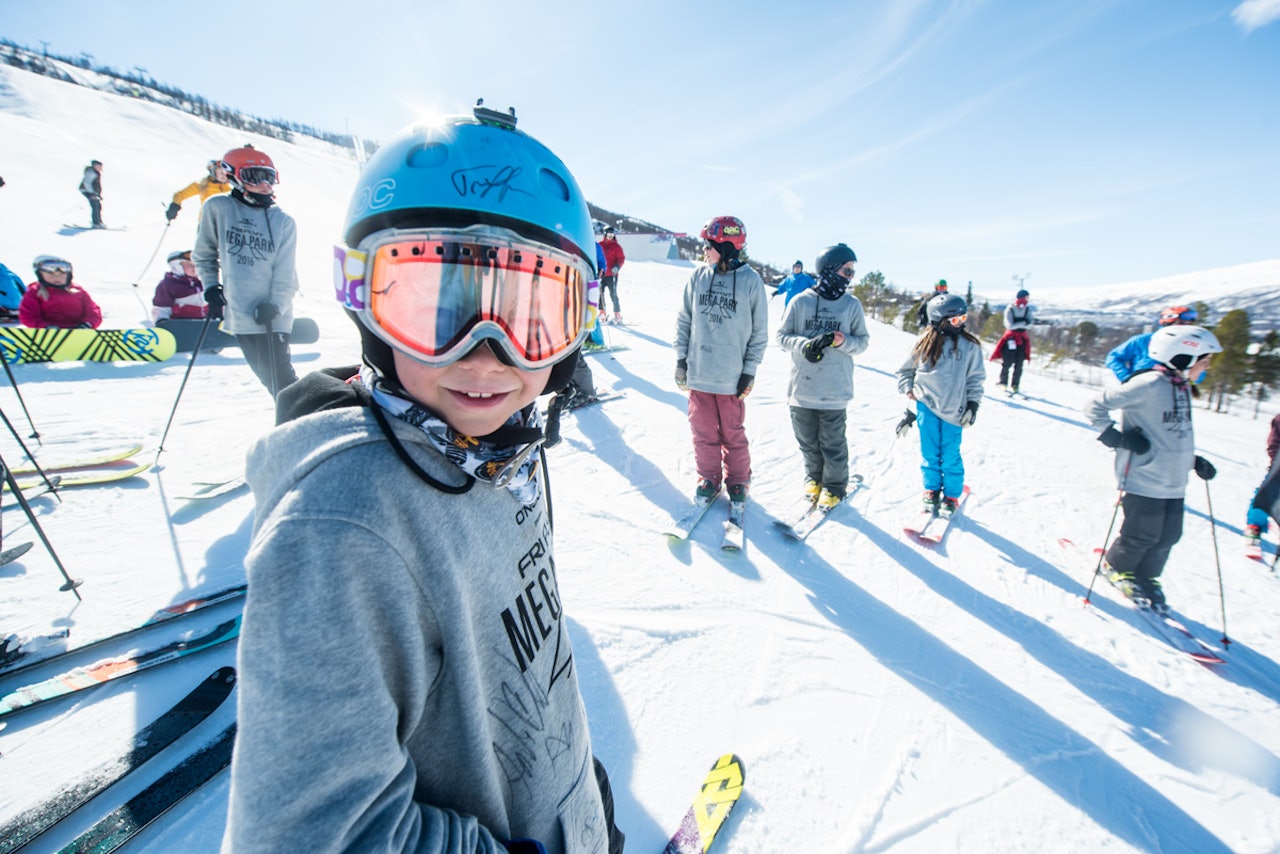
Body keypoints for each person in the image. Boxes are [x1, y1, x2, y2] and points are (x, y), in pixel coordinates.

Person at [224, 105, 625, 854]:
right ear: (366, 306)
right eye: (429, 307)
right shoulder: (342, 526)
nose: (485, 356)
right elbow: (314, 838)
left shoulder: (503, 452)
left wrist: (576, 789)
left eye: (534, 317)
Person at [1085, 325, 1222, 614]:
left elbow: (1173, 432)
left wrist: (1193, 460)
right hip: (1144, 475)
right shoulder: (1147, 384)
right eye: (1204, 361)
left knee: (1169, 535)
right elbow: (1095, 406)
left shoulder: (1181, 387)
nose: (1207, 367)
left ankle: (1147, 576)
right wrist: (1117, 437)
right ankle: (1116, 566)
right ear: (1183, 356)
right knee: (1141, 533)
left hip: (1174, 478)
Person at [674, 214, 769, 505]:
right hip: (700, 373)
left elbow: (760, 334)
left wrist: (749, 371)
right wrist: (681, 359)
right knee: (702, 432)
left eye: (709, 245)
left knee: (732, 434)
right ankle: (708, 478)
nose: (704, 250)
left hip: (731, 377)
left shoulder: (751, 282)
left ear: (727, 246)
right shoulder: (698, 276)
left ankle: (738, 480)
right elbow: (684, 320)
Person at [193, 145, 299, 397]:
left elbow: (287, 274)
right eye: (254, 177)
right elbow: (204, 253)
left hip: (273, 316)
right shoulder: (217, 208)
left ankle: (302, 427)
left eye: (269, 177)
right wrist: (210, 285)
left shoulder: (283, 221)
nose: (264, 185)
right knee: (270, 381)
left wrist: (276, 304)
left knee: (283, 383)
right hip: (240, 315)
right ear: (234, 177)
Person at [776, 243, 870, 509]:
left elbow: (862, 342)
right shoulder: (800, 301)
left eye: (852, 272)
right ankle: (814, 478)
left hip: (834, 390)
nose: (850, 277)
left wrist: (843, 342)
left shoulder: (851, 305)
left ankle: (834, 485)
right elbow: (782, 337)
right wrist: (803, 345)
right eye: (846, 271)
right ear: (829, 270)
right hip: (802, 389)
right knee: (808, 442)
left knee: (832, 444)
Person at [896, 292, 984, 518]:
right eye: (955, 321)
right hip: (926, 408)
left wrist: (973, 405)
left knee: (950, 454)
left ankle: (952, 494)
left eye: (963, 319)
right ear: (939, 321)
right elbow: (906, 371)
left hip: (954, 410)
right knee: (929, 452)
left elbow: (975, 379)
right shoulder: (923, 342)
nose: (960, 324)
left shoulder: (970, 346)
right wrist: (909, 395)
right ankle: (932, 489)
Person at [1105, 305, 1199, 383]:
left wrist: (1192, 378)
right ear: (1168, 323)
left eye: (1188, 325)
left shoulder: (1191, 345)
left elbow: (1198, 376)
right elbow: (1113, 357)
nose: (1185, 329)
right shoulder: (1142, 341)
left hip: (1172, 394)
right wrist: (1126, 378)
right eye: (1181, 324)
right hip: (1141, 389)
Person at [19, 255, 102, 329]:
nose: (57, 278)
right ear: (40, 275)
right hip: (48, 334)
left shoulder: (78, 291)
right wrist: (45, 327)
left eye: (62, 275)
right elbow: (28, 316)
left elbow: (93, 311)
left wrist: (88, 324)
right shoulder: (34, 293)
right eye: (51, 275)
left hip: (78, 332)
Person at [1243, 413, 1280, 546]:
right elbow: (1274, 443)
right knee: (1266, 495)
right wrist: (1276, 461)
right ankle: (1255, 525)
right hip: (1278, 470)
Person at [991, 288, 1034, 393]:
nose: (1026, 300)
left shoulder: (1027, 310)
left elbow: (1030, 324)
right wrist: (1022, 323)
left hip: (1022, 339)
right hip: (1010, 338)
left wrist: (1019, 324)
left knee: (1019, 364)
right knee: (1007, 362)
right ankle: (1003, 382)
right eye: (1025, 298)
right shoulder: (1010, 309)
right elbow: (1009, 325)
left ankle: (1015, 385)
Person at [166, 159, 232, 222]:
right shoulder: (203, 185)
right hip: (206, 223)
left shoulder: (229, 189)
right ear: (213, 172)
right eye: (221, 172)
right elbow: (180, 195)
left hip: (225, 224)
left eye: (225, 173)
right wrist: (174, 206)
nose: (224, 175)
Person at [151, 249, 206, 322]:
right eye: (190, 265)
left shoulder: (201, 284)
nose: (194, 268)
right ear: (177, 266)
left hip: (204, 327)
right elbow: (161, 309)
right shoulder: (167, 285)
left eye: (196, 265)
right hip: (179, 327)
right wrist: (162, 322)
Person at [598, 226, 625, 323]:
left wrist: (617, 267)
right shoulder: (600, 245)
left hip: (612, 275)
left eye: (612, 235)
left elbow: (621, 259)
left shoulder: (617, 247)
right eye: (609, 234)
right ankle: (602, 313)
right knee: (600, 294)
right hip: (602, 274)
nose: (610, 236)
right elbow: (596, 257)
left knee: (613, 294)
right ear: (605, 234)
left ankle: (617, 314)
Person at [78, 160, 104, 228]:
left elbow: (96, 185)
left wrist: (97, 194)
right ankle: (96, 223)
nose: (100, 168)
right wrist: (92, 193)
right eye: (99, 166)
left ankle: (98, 222)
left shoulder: (96, 172)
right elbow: (87, 183)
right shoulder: (91, 172)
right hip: (87, 191)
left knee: (98, 205)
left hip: (92, 192)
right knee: (95, 205)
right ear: (94, 166)